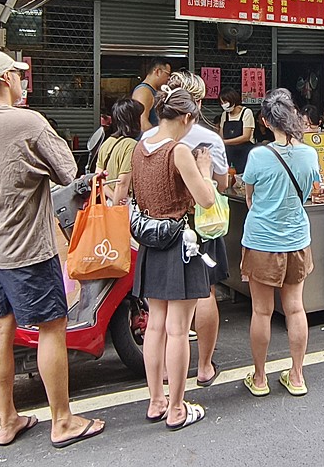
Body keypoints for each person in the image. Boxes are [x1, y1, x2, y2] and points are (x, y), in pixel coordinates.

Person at [0, 50, 104, 448]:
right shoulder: (28, 121)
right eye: (19, 74)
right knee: (52, 328)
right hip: (27, 246)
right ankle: (63, 421)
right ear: (8, 78)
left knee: (1, 327)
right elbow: (68, 172)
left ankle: (7, 420)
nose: (23, 80)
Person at [132, 86, 217, 430]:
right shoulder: (178, 151)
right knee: (178, 330)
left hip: (151, 243)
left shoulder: (140, 147)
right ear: (185, 118)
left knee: (155, 325)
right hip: (180, 243)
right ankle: (178, 408)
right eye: (191, 121)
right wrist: (206, 170)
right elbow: (206, 199)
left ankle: (156, 401)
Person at [143, 71, 230, 387]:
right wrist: (205, 174)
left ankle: (162, 376)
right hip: (199, 225)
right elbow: (219, 186)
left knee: (161, 310)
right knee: (204, 292)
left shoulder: (148, 139)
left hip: (159, 225)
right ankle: (204, 366)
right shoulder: (209, 139)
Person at [240, 89, 321, 397]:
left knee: (261, 311)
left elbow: (249, 198)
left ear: (264, 121)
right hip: (297, 239)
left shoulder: (258, 156)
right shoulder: (309, 154)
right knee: (296, 309)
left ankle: (260, 378)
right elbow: (311, 191)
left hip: (262, 240)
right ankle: (297, 376)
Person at [95, 98, 143, 204]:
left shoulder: (107, 143)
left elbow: (98, 179)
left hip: (108, 202)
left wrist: (113, 198)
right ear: (135, 120)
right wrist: (117, 206)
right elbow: (122, 184)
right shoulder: (131, 145)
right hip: (124, 205)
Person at [219, 89, 256, 174]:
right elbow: (221, 135)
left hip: (244, 152)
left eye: (225, 102)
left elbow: (246, 137)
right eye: (221, 103)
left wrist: (225, 142)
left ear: (233, 100)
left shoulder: (246, 112)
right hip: (229, 152)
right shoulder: (224, 115)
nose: (223, 105)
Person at [132, 58, 172, 132]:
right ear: (158, 71)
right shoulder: (143, 91)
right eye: (168, 74)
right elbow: (142, 123)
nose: (169, 78)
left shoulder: (151, 91)